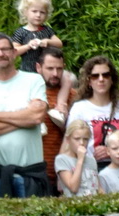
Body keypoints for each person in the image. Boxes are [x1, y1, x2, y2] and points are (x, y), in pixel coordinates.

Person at [0, 32, 48, 198]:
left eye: (5, 49)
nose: (1, 54)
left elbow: (36, 117)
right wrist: (24, 117)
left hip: (30, 174)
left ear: (14, 52)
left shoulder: (33, 80)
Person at [66, 56, 119, 171]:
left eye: (105, 75)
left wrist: (113, 152)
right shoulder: (79, 108)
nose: (101, 79)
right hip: (88, 168)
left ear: (112, 80)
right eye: (95, 76)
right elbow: (69, 145)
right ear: (89, 81)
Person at [12, 0, 71, 119]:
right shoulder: (21, 32)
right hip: (28, 69)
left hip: (47, 70)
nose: (38, 15)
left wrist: (48, 42)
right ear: (25, 12)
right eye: (34, 11)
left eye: (42, 12)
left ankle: (60, 106)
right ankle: (35, 117)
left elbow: (59, 43)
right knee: (30, 93)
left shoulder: (46, 30)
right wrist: (28, 45)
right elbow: (14, 51)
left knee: (67, 78)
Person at [36, 47, 75, 195]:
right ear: (38, 67)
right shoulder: (29, 92)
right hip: (37, 171)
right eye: (50, 68)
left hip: (66, 173)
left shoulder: (74, 96)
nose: (55, 74)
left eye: (59, 69)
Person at [54, 119, 101, 197]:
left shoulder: (91, 160)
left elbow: (98, 188)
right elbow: (73, 188)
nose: (81, 143)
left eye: (85, 139)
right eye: (77, 139)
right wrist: (80, 160)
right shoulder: (62, 159)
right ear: (68, 139)